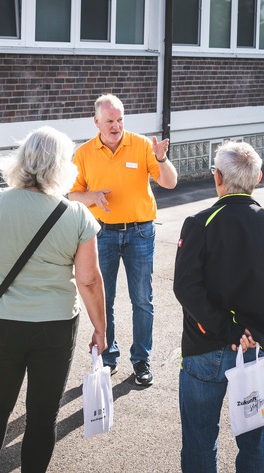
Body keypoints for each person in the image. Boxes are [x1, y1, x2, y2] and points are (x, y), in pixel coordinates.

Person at [0, 126, 107, 473]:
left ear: (22, 159)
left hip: (4, 320)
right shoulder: (76, 214)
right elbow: (88, 280)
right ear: (62, 166)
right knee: (43, 415)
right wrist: (101, 328)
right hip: (55, 326)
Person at [173, 142, 264, 473]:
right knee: (254, 440)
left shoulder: (200, 223)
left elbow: (186, 288)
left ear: (217, 178)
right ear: (259, 177)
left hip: (205, 347)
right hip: (258, 348)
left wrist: (227, 330)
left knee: (199, 438)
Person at [68, 93, 178, 385]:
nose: (116, 126)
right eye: (110, 121)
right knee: (106, 298)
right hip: (101, 233)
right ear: (96, 122)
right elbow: (71, 194)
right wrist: (92, 196)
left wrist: (161, 158)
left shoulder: (142, 145)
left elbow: (169, 182)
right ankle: (108, 356)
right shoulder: (84, 153)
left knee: (142, 299)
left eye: (120, 120)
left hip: (140, 232)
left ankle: (141, 360)